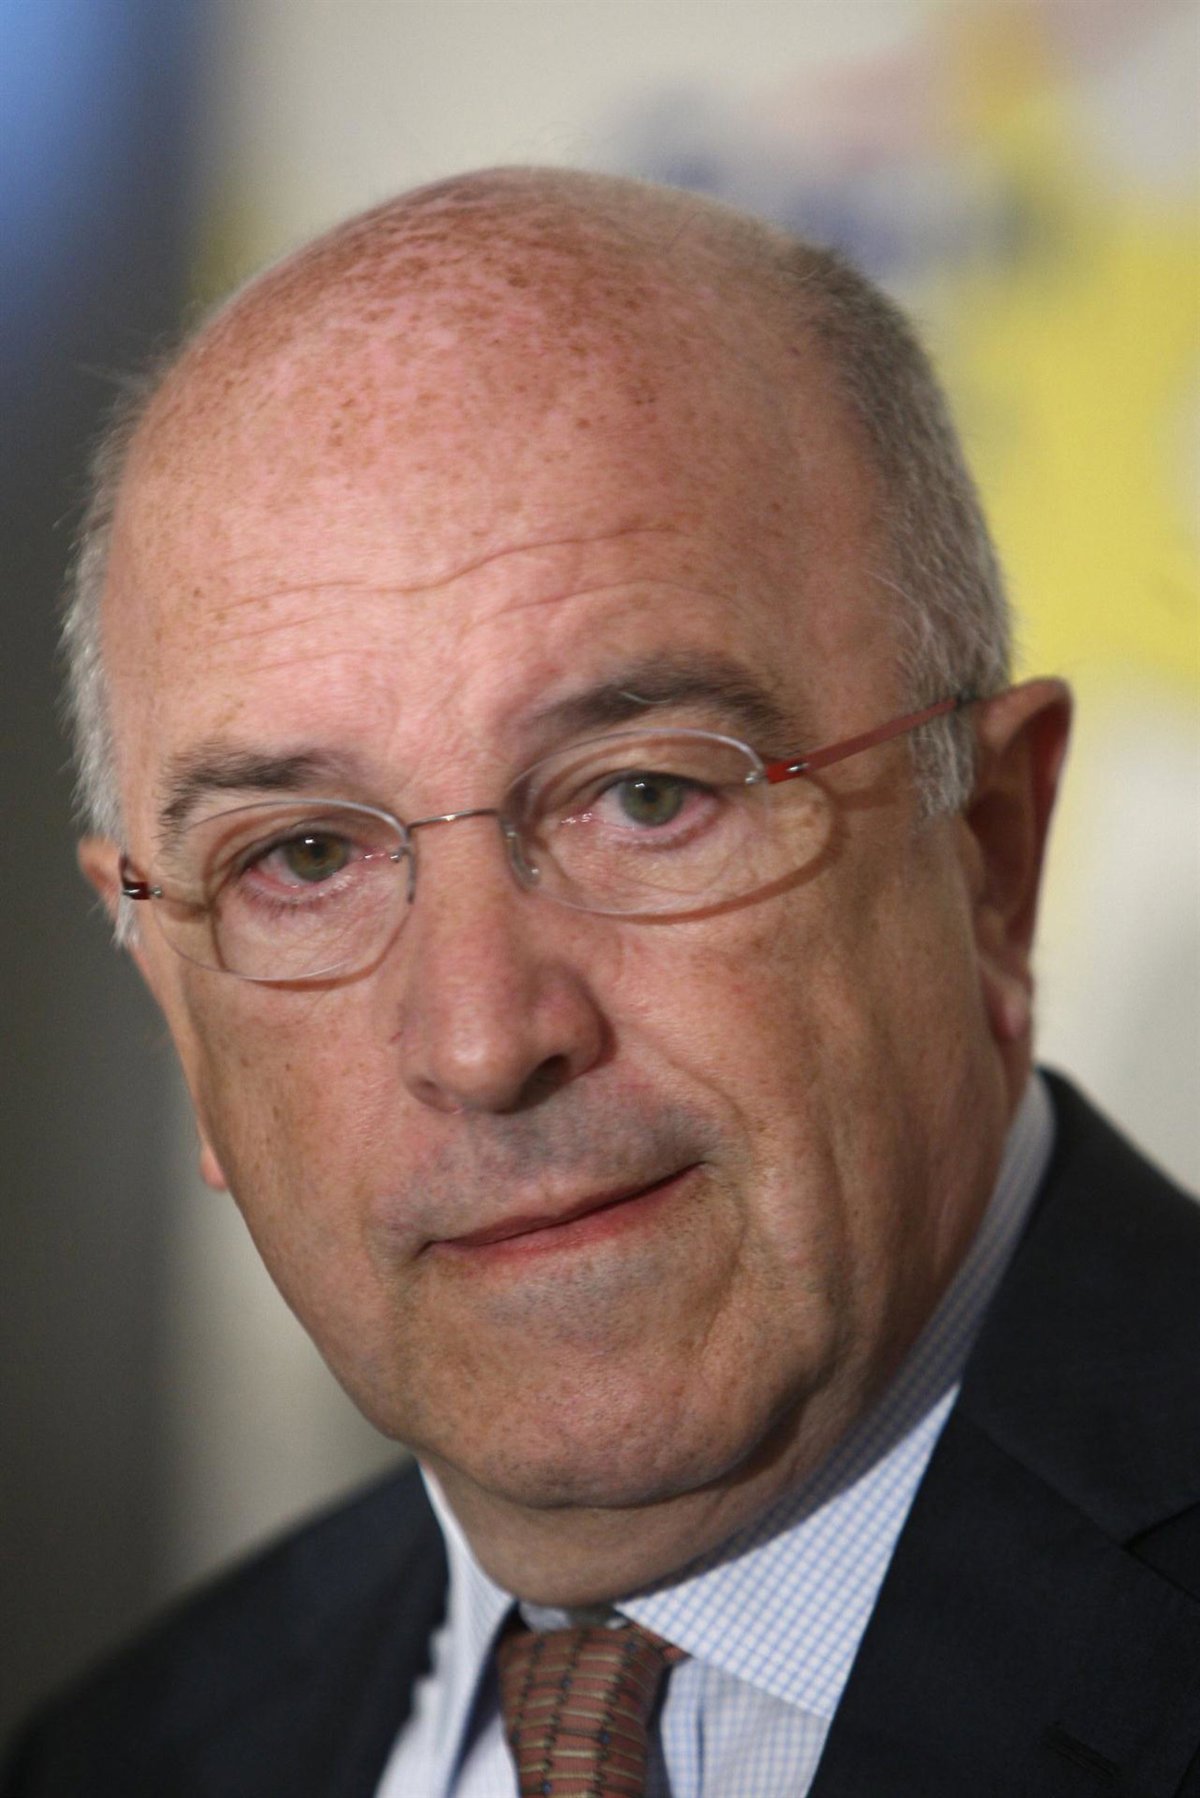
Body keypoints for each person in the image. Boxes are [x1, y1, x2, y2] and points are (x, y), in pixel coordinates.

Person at [4, 167, 1198, 1798]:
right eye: (303, 856)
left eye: (645, 795)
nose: (484, 1038)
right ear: (176, 1007)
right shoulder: (124, 1758)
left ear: (990, 851)